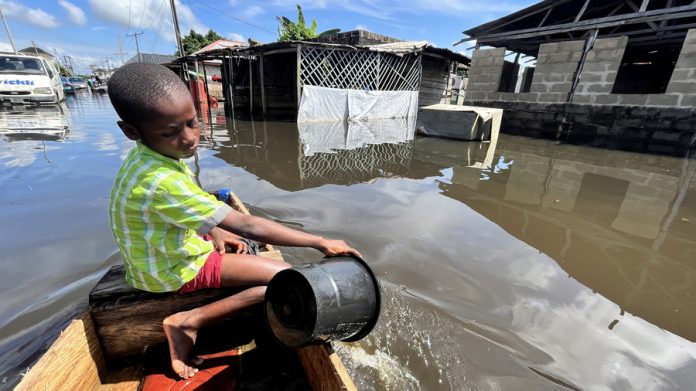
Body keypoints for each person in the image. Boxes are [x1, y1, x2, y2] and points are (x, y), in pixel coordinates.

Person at [107, 63, 360, 379]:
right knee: (287, 278)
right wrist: (319, 241)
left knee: (236, 240)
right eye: (171, 132)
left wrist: (215, 229)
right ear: (132, 131)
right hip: (170, 270)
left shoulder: (146, 158)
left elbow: (181, 210)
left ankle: (207, 273)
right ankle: (188, 321)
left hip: (152, 259)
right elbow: (250, 226)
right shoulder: (161, 180)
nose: (188, 139)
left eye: (192, 123)